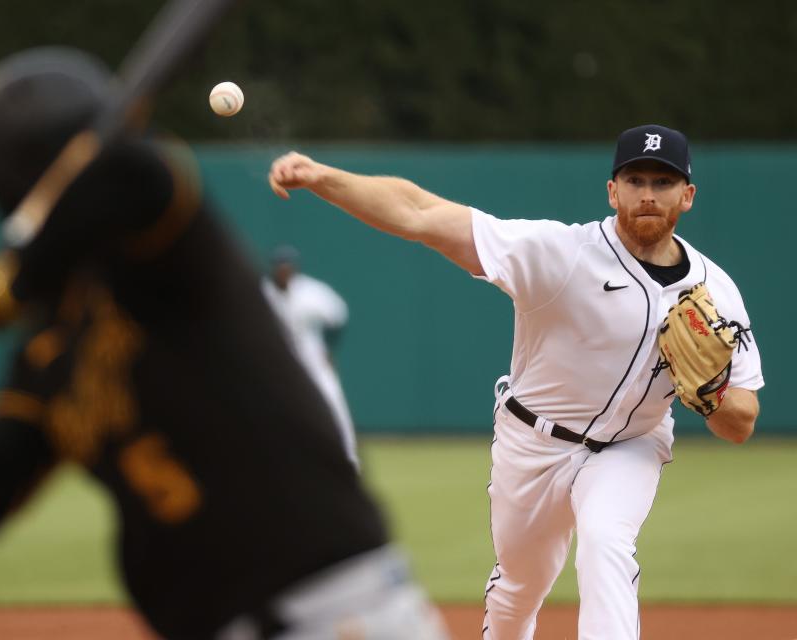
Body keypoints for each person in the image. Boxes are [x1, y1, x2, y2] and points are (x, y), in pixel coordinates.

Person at [0, 48, 450, 640]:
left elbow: (139, 177)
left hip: (333, 620)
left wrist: (6, 283)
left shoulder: (164, 255)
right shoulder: (46, 347)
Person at [267, 124, 764, 640]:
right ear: (612, 190)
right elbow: (420, 213)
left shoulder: (716, 292)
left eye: (663, 183)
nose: (647, 194)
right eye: (634, 179)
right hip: (532, 444)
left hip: (629, 446)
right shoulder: (560, 253)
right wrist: (324, 177)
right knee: (519, 590)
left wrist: (711, 394)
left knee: (606, 543)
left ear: (687, 195)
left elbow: (740, 422)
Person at [261, 245, 359, 466]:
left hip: (311, 354)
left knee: (333, 401)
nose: (284, 271)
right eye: (281, 267)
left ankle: (349, 458)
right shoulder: (264, 292)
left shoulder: (310, 291)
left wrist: (330, 351)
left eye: (288, 266)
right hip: (279, 358)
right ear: (274, 268)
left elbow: (338, 317)